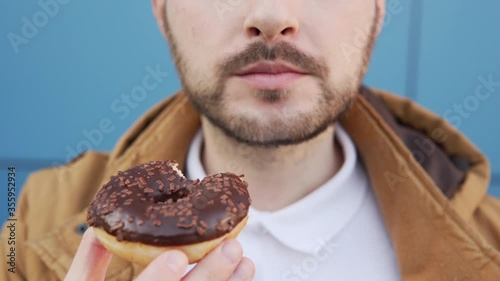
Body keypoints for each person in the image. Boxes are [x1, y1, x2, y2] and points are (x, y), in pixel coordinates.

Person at [2, 0, 500, 280]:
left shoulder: (490, 245)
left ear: (377, 7)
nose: (271, 14)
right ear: (161, 8)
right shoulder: (29, 228)